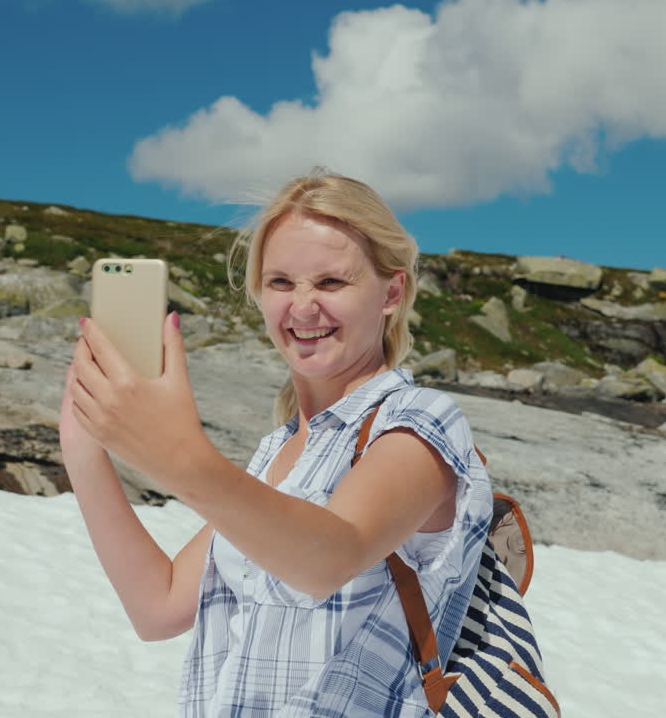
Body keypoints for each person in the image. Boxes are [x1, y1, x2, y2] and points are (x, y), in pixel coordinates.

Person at [59, 170, 494, 716]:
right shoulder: (278, 452)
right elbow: (159, 606)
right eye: (281, 282)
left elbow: (328, 558)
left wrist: (179, 455)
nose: (304, 307)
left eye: (331, 283)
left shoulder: (420, 422)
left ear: (391, 292)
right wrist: (82, 450)